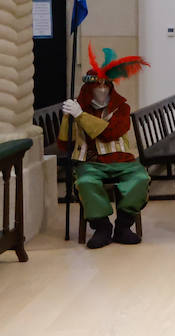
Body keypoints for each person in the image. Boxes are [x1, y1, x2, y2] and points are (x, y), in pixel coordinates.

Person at [57, 46, 151, 249]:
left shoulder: (122, 107)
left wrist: (81, 116)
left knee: (140, 179)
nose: (101, 89)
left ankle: (124, 225)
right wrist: (68, 116)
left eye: (105, 85)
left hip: (122, 160)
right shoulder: (78, 106)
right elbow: (64, 142)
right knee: (85, 182)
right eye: (97, 86)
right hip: (91, 162)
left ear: (110, 86)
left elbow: (111, 132)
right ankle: (102, 227)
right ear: (89, 89)